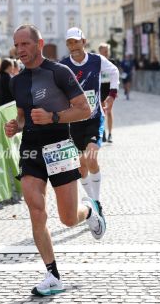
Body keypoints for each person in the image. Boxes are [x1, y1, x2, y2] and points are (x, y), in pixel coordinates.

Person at [5, 24, 106, 296]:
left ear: (39, 44)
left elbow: (84, 109)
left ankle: (90, 210)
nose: (20, 49)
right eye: (17, 44)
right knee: (36, 210)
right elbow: (23, 115)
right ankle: (52, 274)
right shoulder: (16, 80)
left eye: (25, 44)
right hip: (31, 150)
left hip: (59, 146)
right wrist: (16, 125)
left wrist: (54, 117)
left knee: (69, 219)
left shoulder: (59, 72)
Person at [61, 28, 119, 214]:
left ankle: (95, 202)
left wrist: (111, 95)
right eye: (69, 42)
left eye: (76, 42)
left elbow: (115, 72)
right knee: (80, 165)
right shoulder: (63, 66)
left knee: (91, 157)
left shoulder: (96, 60)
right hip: (74, 122)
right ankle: (93, 203)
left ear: (83, 41)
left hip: (94, 119)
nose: (73, 46)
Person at [98, 43, 117, 142]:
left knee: (109, 111)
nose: (106, 53)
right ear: (100, 51)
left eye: (107, 51)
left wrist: (115, 90)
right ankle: (103, 132)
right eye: (105, 51)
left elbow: (115, 76)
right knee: (102, 112)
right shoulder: (96, 62)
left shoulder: (112, 62)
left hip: (109, 89)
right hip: (100, 88)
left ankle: (110, 134)